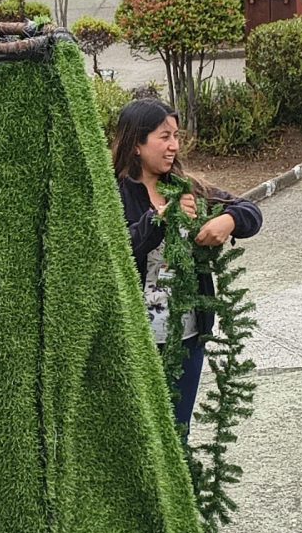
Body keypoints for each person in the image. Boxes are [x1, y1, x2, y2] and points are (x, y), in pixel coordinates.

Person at [112, 97, 262, 430]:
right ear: (136, 143)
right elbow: (115, 250)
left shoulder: (185, 187)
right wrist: (158, 221)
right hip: (136, 340)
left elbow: (251, 211)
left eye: (176, 136)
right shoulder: (113, 195)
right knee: (141, 436)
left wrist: (230, 221)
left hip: (186, 337)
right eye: (164, 137)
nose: (173, 146)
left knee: (179, 432)